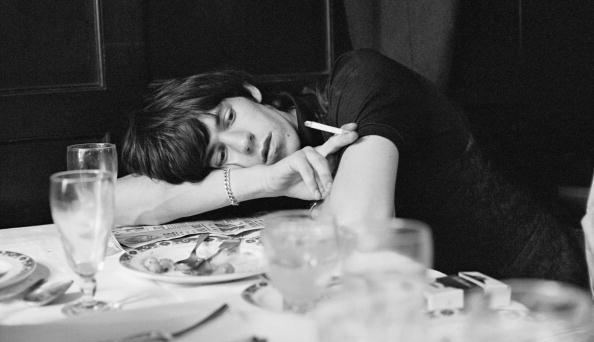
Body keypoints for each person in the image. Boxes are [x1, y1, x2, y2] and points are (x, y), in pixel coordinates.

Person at [117, 49, 589, 289]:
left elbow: (362, 231)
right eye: (220, 155)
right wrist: (258, 181)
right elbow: (106, 204)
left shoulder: (359, 83)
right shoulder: (274, 167)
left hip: (544, 301)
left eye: (229, 119)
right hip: (434, 320)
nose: (243, 143)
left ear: (249, 91)